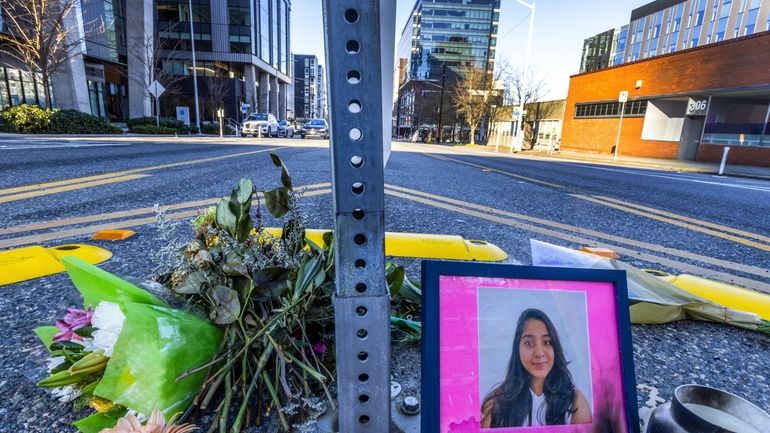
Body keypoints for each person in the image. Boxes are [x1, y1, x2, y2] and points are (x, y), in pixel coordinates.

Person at [481, 308, 592, 428]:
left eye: (547, 342)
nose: (539, 353)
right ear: (517, 349)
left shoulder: (575, 403)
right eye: (529, 343)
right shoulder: (495, 404)